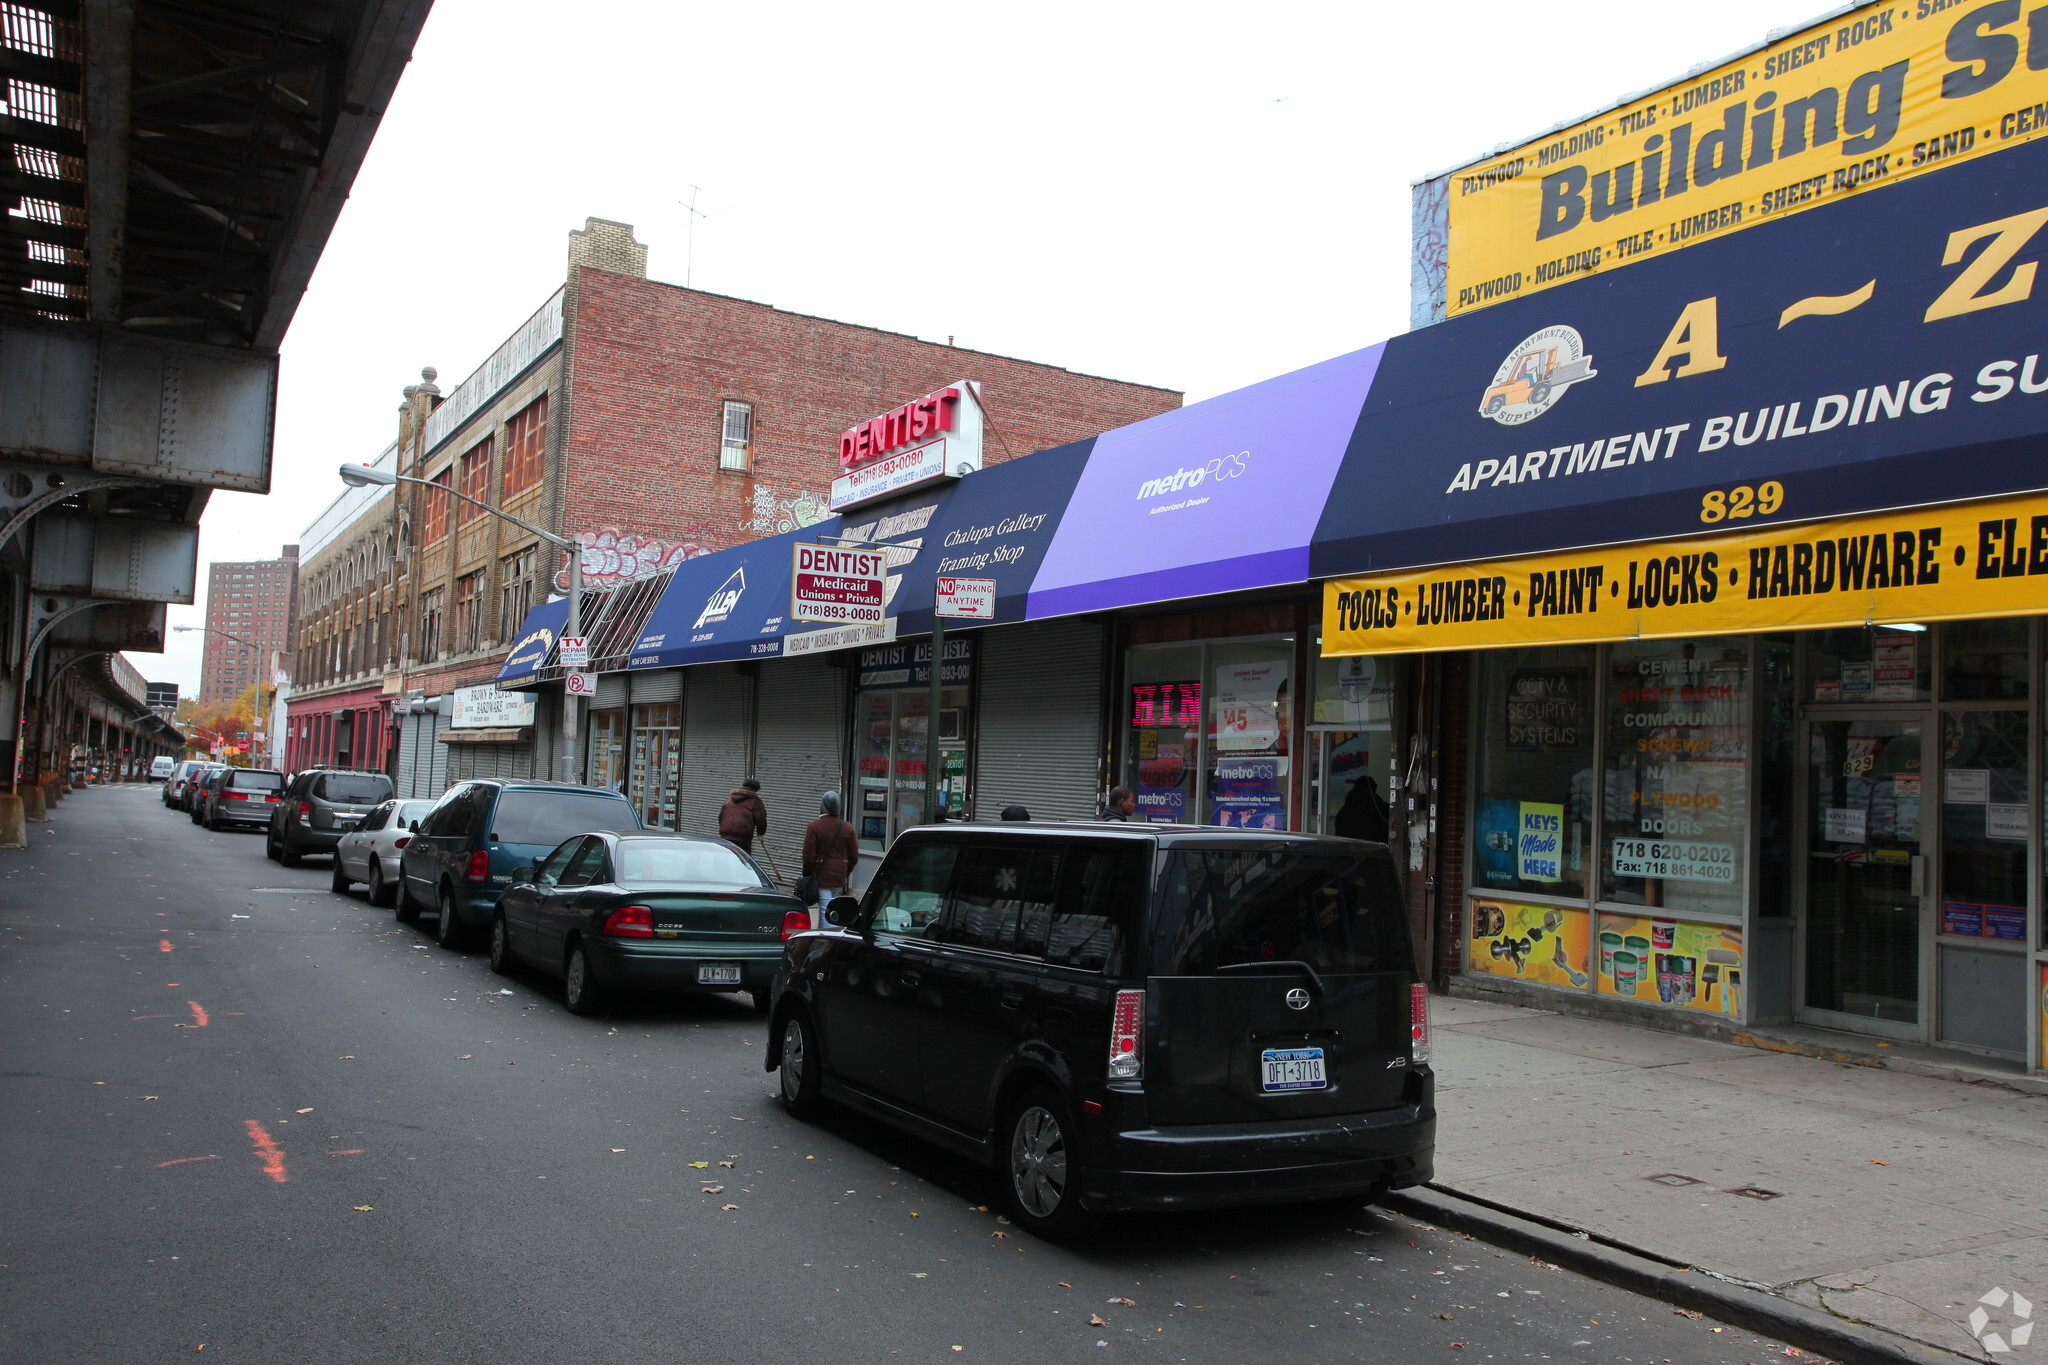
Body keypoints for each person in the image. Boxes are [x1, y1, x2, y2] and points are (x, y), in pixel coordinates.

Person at [801, 791, 859, 928]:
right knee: (831, 908)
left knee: (825, 912)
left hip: (821, 876)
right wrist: (845, 871)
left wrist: (808, 874)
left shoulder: (814, 826)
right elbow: (853, 856)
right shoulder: (848, 827)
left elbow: (808, 855)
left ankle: (828, 941)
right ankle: (820, 939)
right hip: (840, 875)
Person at [1333, 774, 1391, 843]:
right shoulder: (1380, 809)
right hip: (1374, 851)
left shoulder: (1343, 812)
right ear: (1373, 790)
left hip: (1348, 851)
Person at [718, 777, 767, 852]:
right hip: (742, 839)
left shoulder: (729, 799)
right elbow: (761, 820)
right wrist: (761, 834)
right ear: (755, 790)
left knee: (726, 859)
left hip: (725, 837)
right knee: (742, 861)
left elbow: (720, 817)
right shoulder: (756, 801)